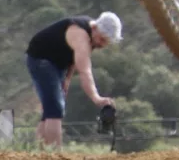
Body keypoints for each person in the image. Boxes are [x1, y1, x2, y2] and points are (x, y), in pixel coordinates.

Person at [25, 12, 121, 146]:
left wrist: (66, 80)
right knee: (55, 109)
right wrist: (97, 98)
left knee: (50, 110)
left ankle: (39, 153)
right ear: (94, 28)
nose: (102, 44)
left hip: (57, 64)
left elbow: (73, 61)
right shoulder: (81, 35)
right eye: (102, 39)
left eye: (106, 42)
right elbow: (85, 71)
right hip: (41, 59)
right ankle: (55, 157)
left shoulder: (92, 37)